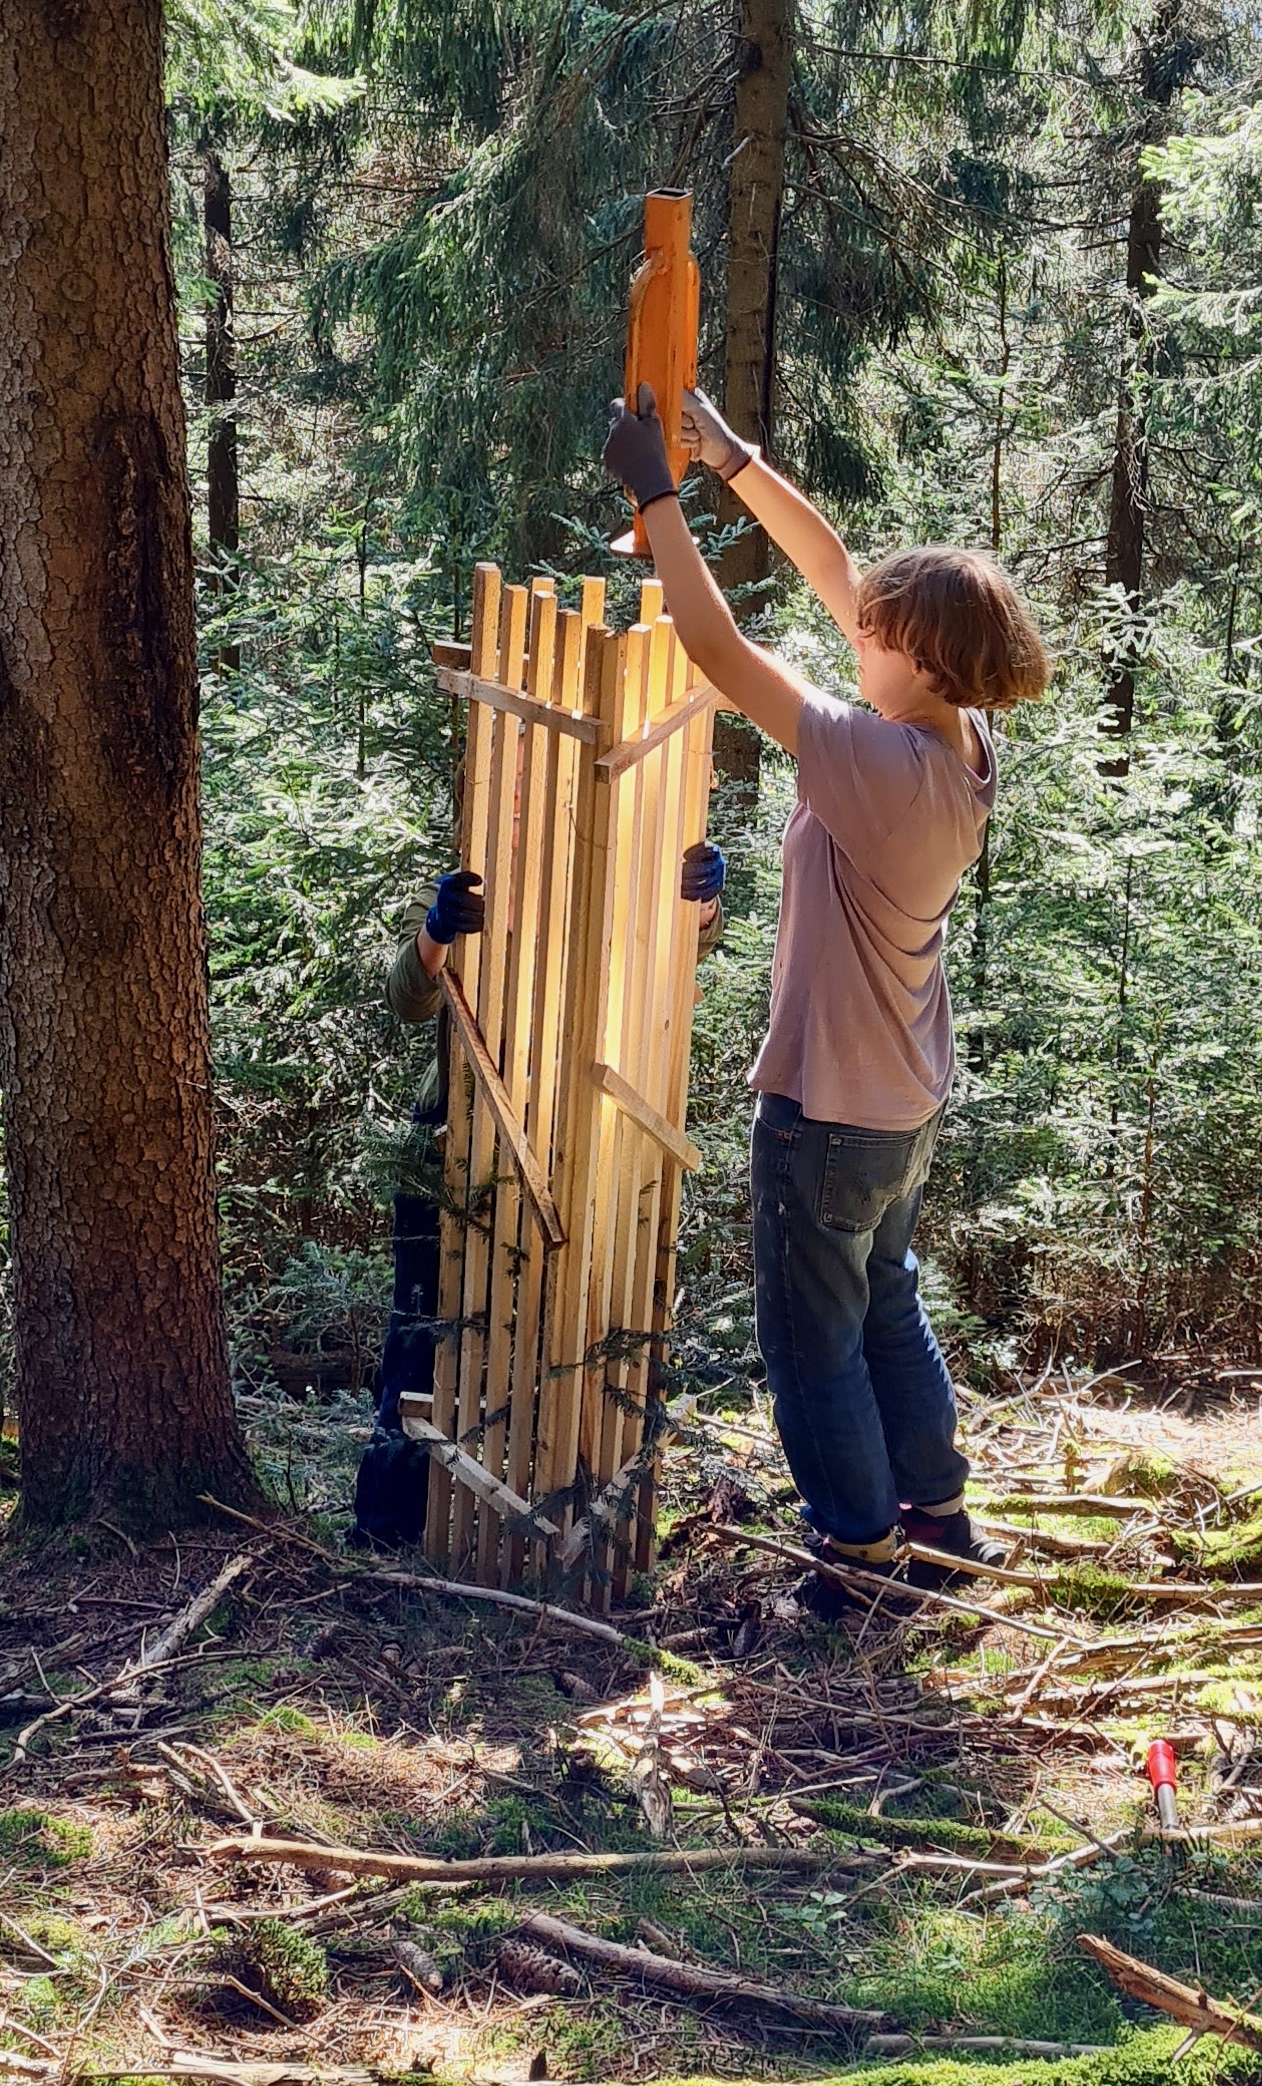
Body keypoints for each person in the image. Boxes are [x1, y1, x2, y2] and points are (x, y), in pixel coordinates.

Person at [602, 379, 1050, 1612]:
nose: (855, 628)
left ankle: (856, 1560)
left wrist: (656, 493)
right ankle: (940, 1522)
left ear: (921, 654)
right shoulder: (955, 747)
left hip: (828, 1109)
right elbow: (836, 569)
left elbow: (717, 651)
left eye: (876, 628)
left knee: (813, 1347)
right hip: (896, 1104)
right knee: (889, 1311)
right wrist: (731, 456)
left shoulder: (873, 765)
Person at [351, 837, 726, 1545]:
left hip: (573, 1151)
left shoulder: (619, 869)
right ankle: (387, 1528)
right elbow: (408, 995)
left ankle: (545, 1521)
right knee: (421, 1334)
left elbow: (681, 953)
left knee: (565, 1341)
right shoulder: (472, 866)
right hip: (451, 1142)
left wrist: (700, 904)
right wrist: (438, 929)